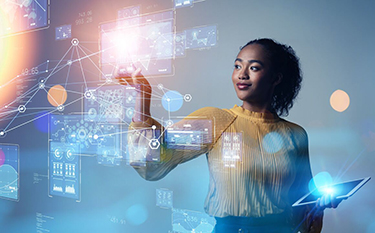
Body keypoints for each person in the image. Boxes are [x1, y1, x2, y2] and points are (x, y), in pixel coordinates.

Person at [117, 38, 341, 233]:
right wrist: (142, 94)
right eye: (237, 66)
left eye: (254, 68)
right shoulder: (216, 121)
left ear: (276, 78)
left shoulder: (296, 135)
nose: (241, 74)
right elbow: (152, 159)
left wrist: (320, 204)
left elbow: (303, 206)